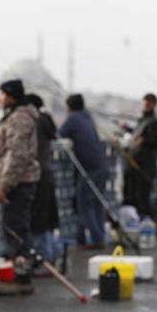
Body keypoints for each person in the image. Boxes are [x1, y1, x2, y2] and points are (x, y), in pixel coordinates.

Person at [0, 79, 40, 295]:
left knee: (16, 230)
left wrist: (4, 186)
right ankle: (21, 275)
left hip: (18, 183)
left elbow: (17, 155)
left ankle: (22, 278)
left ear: (10, 96)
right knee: (17, 228)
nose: (0, 99)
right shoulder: (17, 117)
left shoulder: (19, 118)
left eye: (2, 94)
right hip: (20, 182)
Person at [59, 94, 109, 249]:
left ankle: (96, 240)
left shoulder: (73, 118)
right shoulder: (87, 117)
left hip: (89, 168)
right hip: (101, 165)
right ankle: (99, 236)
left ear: (69, 107)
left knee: (85, 204)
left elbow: (59, 133)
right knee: (97, 204)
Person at [25, 93, 60, 265]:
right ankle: (51, 254)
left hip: (35, 174)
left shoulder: (33, 122)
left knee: (37, 218)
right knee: (46, 217)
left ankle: (43, 259)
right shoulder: (46, 120)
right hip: (47, 173)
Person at [123, 93, 157, 219]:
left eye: (147, 104)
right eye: (144, 104)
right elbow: (138, 134)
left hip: (144, 166)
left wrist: (143, 140)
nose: (145, 106)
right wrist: (128, 130)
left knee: (143, 197)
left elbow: (154, 142)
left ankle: (146, 221)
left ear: (154, 105)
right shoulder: (143, 121)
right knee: (132, 194)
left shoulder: (154, 122)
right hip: (134, 164)